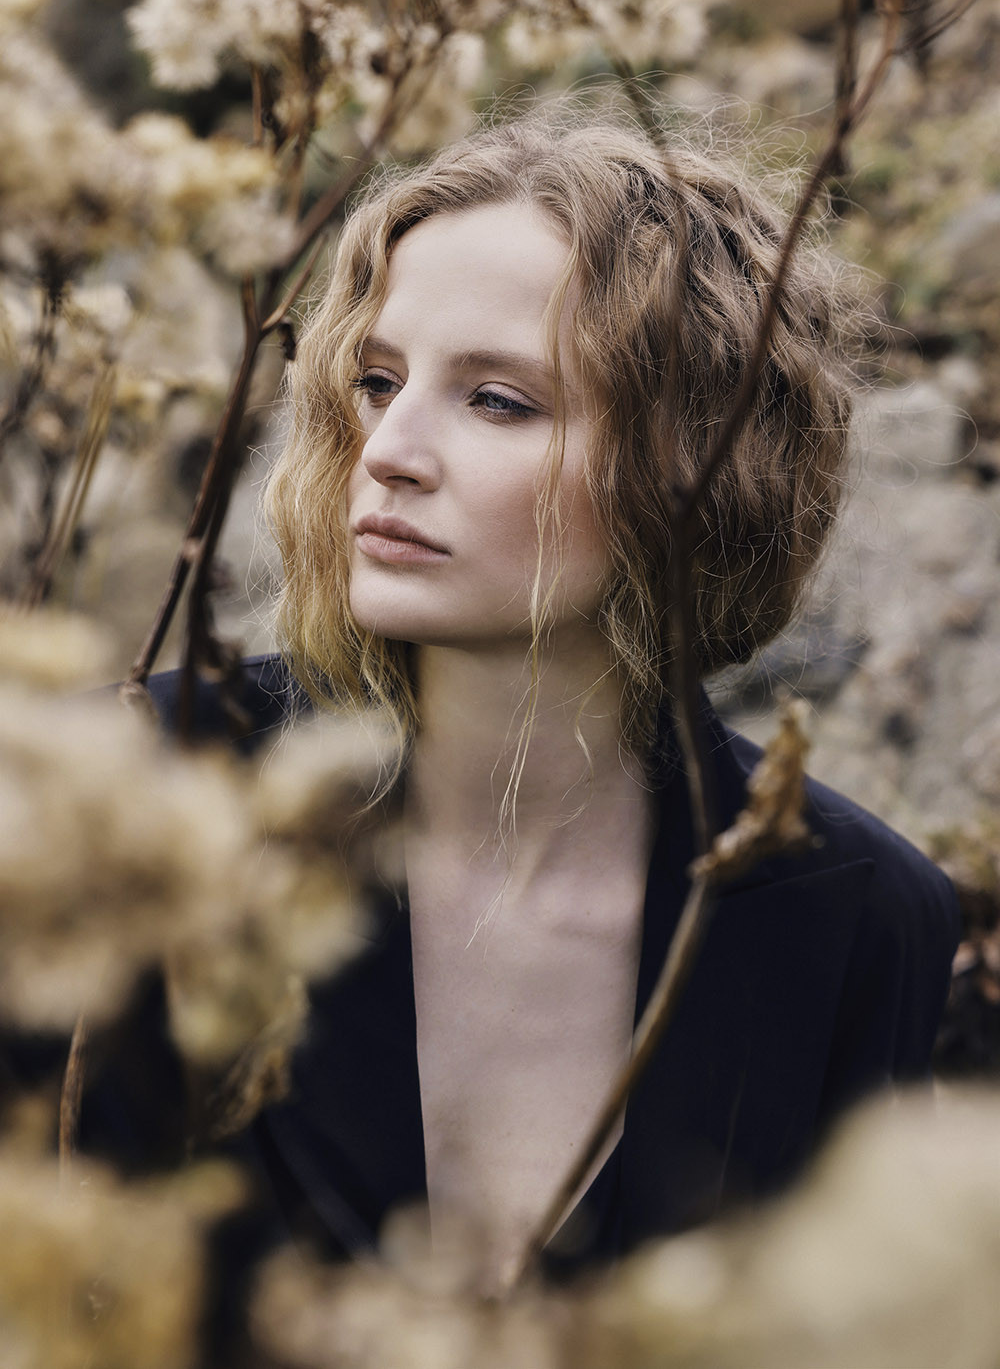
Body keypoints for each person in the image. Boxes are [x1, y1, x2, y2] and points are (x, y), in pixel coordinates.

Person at [141, 114, 957, 1299]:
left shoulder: (857, 918)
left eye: (498, 400)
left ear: (697, 464)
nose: (388, 449)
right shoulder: (144, 788)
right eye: (377, 380)